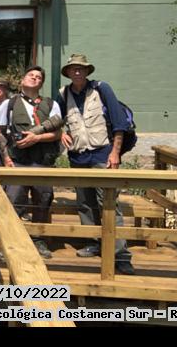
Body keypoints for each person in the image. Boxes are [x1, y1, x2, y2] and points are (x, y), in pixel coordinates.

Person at [57, 54, 135, 275]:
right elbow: (56, 119)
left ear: (87, 71)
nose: (77, 72)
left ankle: (120, 254)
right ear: (68, 72)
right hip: (78, 157)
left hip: (103, 155)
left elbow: (119, 123)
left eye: (81, 68)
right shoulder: (63, 94)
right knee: (85, 203)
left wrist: (115, 153)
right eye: (73, 69)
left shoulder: (102, 89)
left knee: (109, 203)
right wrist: (61, 132)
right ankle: (93, 242)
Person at [1, 65, 64, 259]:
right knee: (13, 202)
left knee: (43, 201)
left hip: (42, 161)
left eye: (39, 77)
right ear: (22, 80)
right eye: (31, 75)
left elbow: (58, 133)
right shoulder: (9, 104)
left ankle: (38, 240)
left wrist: (37, 138)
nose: (35, 78)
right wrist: (6, 158)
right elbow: (1, 133)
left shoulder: (51, 104)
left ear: (41, 83)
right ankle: (9, 242)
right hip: (18, 161)